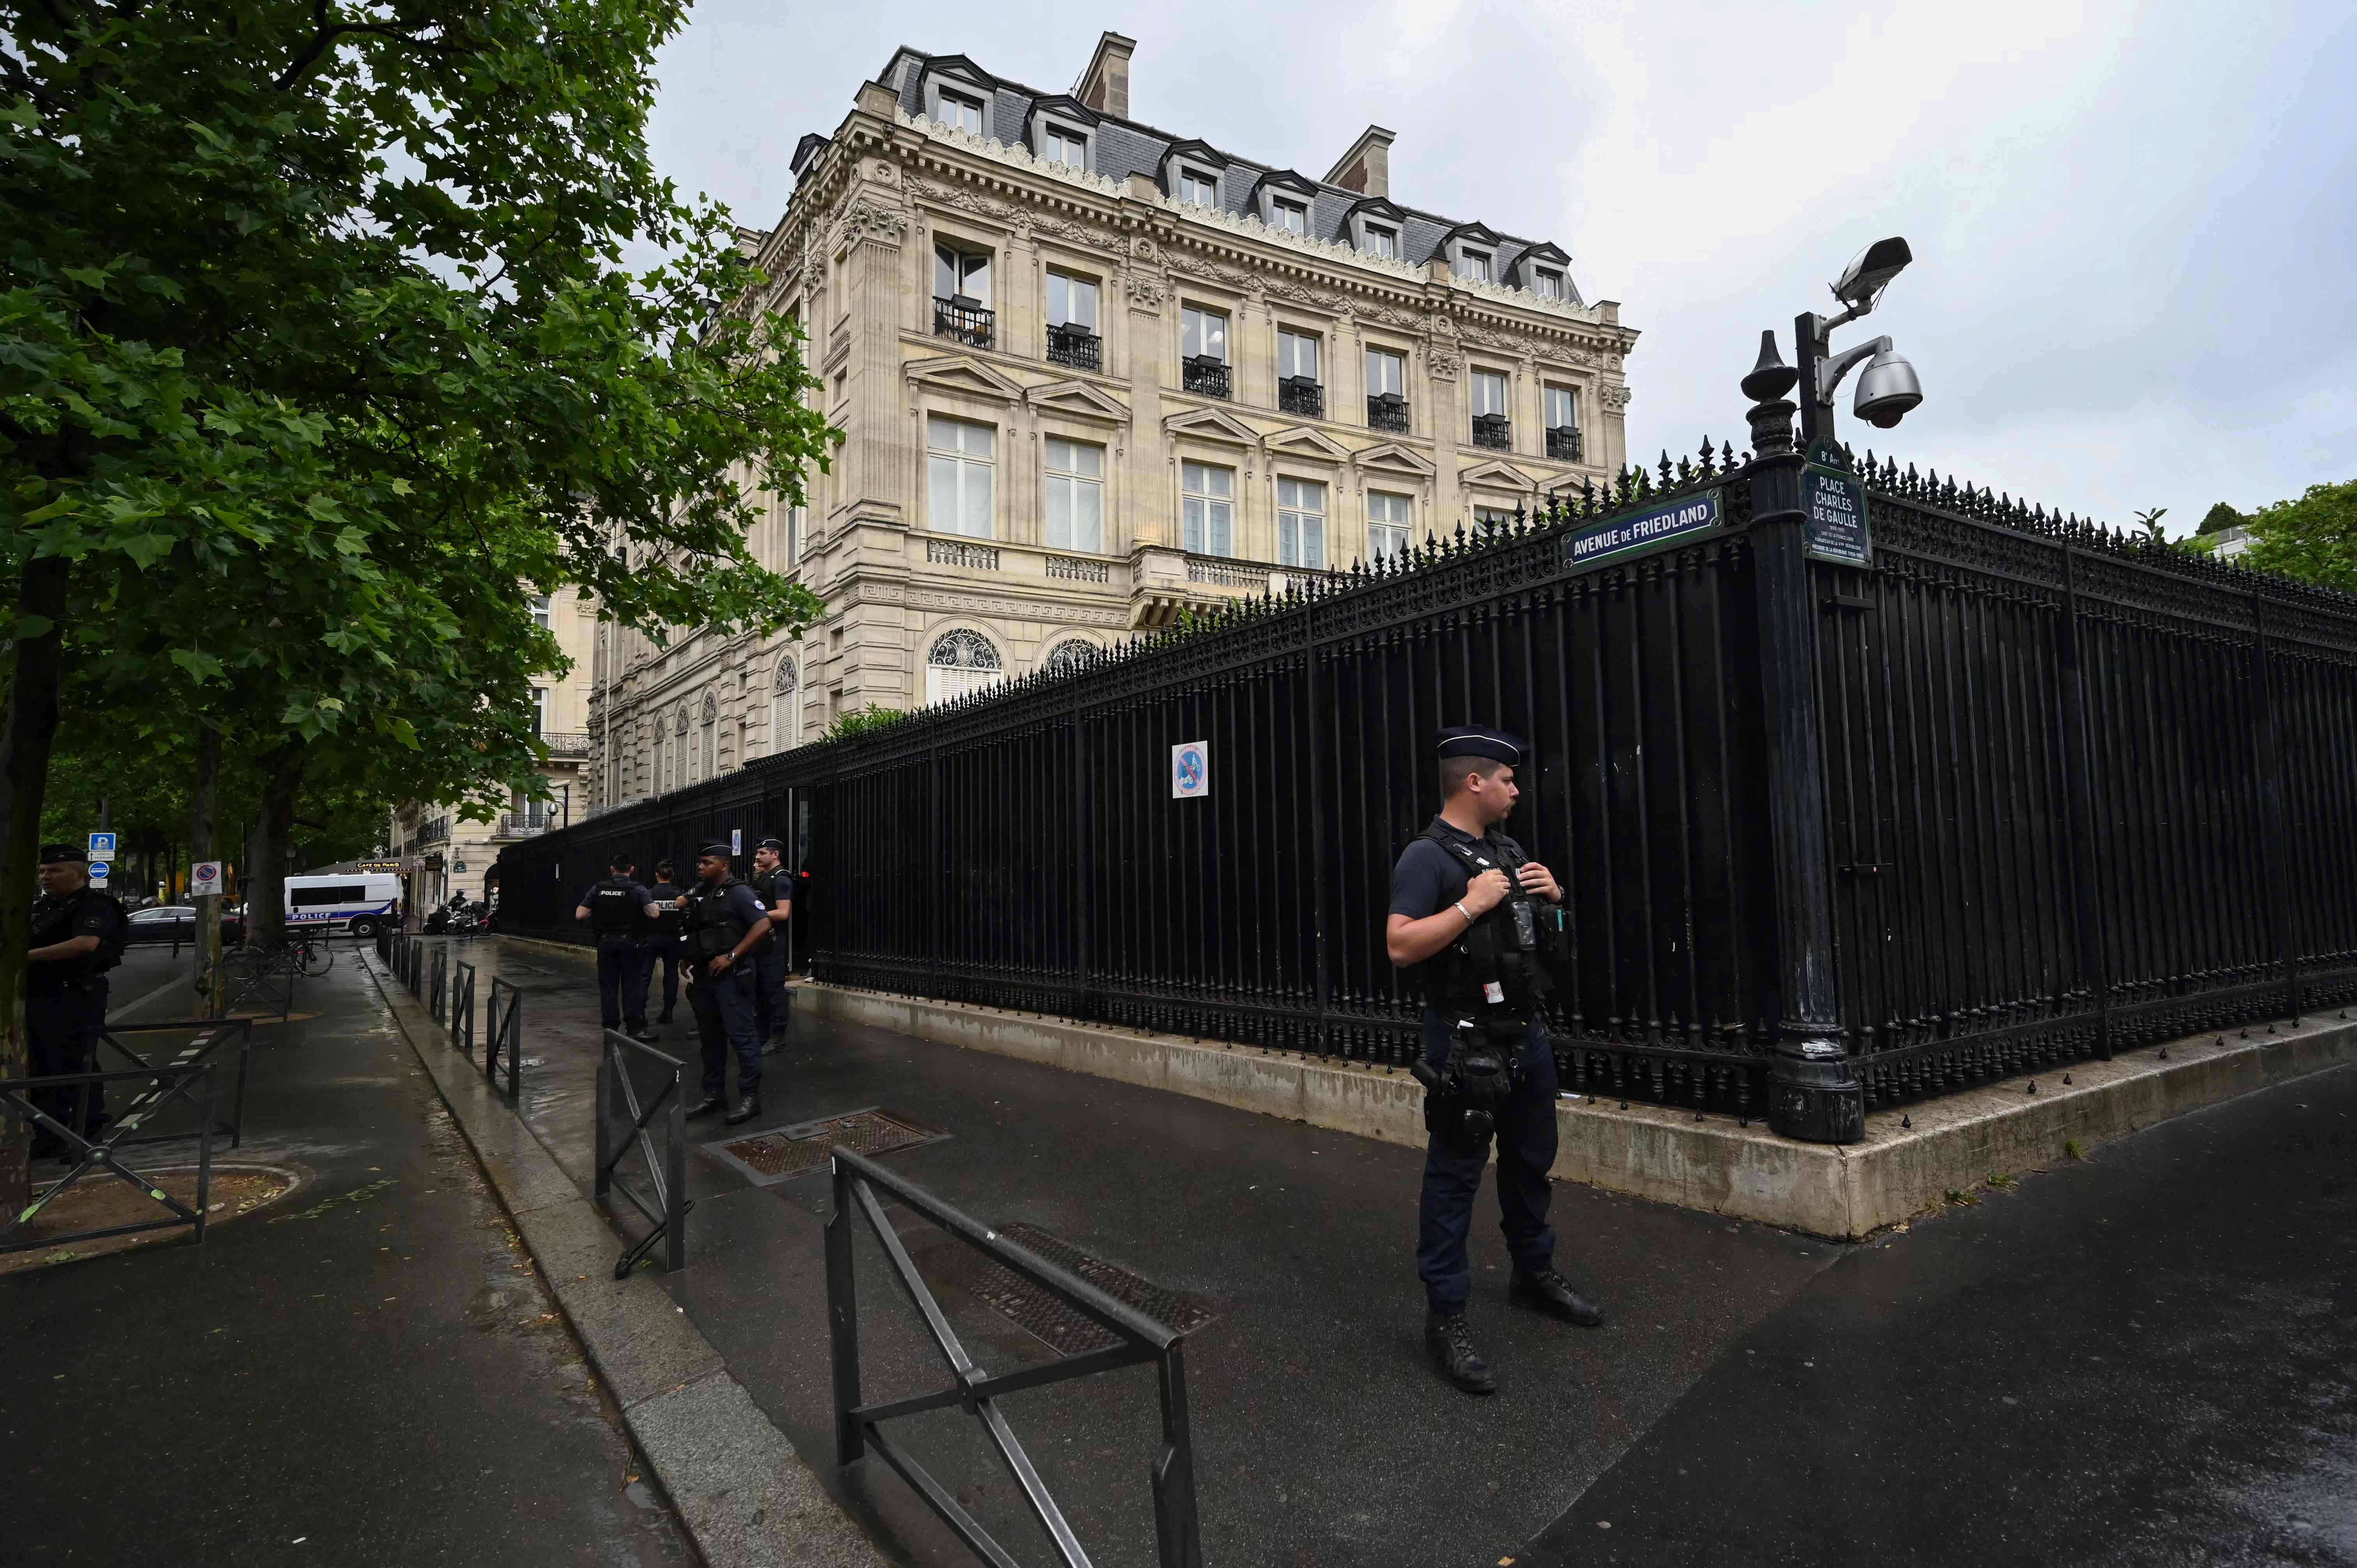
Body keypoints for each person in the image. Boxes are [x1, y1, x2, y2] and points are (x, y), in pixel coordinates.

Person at [1386, 726, 1603, 1396]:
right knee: (1454, 1177)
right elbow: (1399, 945)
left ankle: (1532, 1274)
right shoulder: (1426, 857)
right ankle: (1445, 1315)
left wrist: (1555, 902)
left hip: (1525, 1033)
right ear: (1473, 781)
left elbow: (1543, 947)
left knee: (1530, 1160)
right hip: (1463, 1040)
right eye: (1507, 778)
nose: (1517, 787)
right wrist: (1467, 903)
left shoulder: (1508, 851)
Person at [26, 844, 129, 1158]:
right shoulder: (42, 907)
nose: (46, 877)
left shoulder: (96, 905)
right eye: (43, 871)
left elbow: (86, 944)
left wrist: (24, 957)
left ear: (79, 873)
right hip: (40, 995)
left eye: (55, 871)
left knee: (76, 1064)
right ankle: (49, 1135)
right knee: (42, 1070)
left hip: (76, 994)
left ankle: (88, 1134)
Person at [675, 842, 771, 1126]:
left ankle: (750, 1098)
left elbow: (763, 924)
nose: (700, 867)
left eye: (707, 863)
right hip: (705, 975)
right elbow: (698, 929)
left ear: (723, 865)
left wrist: (732, 956)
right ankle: (714, 1094)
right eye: (700, 862)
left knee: (742, 1038)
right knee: (710, 1039)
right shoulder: (701, 892)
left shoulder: (739, 892)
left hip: (732, 977)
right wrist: (687, 957)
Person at [572, 853, 660, 1040]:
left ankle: (611, 1027)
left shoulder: (598, 889)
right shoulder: (637, 889)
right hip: (629, 943)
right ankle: (634, 1028)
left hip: (605, 943)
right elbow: (654, 914)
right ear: (632, 869)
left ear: (612, 870)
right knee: (631, 986)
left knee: (608, 987)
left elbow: (580, 914)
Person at [747, 837, 795, 1053]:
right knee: (759, 992)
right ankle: (762, 1036)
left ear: (775, 855)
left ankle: (779, 1038)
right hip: (760, 942)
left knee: (774, 992)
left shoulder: (781, 879)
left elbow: (783, 913)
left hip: (773, 944)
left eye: (763, 853)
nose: (758, 856)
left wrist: (755, 915)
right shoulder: (764, 878)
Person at [644, 859, 687, 1025]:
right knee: (671, 974)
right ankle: (668, 1011)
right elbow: (685, 919)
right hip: (673, 939)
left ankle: (640, 1013)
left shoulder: (649, 895)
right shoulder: (679, 895)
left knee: (645, 974)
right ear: (673, 876)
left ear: (656, 875)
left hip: (651, 938)